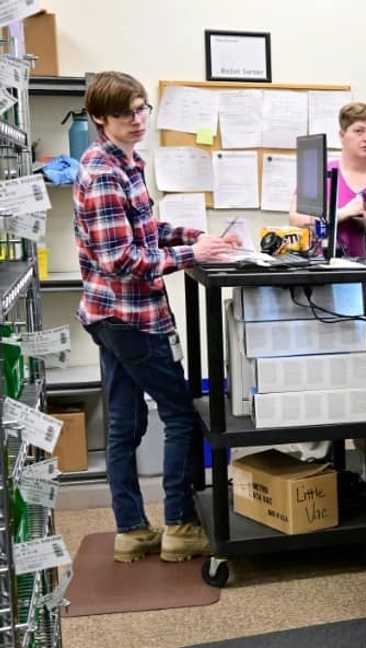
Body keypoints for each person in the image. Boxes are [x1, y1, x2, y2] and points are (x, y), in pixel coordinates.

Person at [73, 72, 236, 563]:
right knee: (181, 413)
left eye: (143, 109)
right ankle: (180, 526)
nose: (138, 120)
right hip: (129, 318)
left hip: (116, 315)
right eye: (126, 113)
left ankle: (131, 532)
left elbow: (147, 228)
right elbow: (120, 259)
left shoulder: (127, 162)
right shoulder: (102, 172)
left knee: (125, 422)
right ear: (100, 117)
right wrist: (191, 256)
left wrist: (197, 237)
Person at [289, 101, 366, 257]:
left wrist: (359, 215)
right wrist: (341, 214)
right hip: (317, 267)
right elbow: (296, 218)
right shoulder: (319, 172)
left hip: (359, 272)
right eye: (359, 131)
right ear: (342, 135)